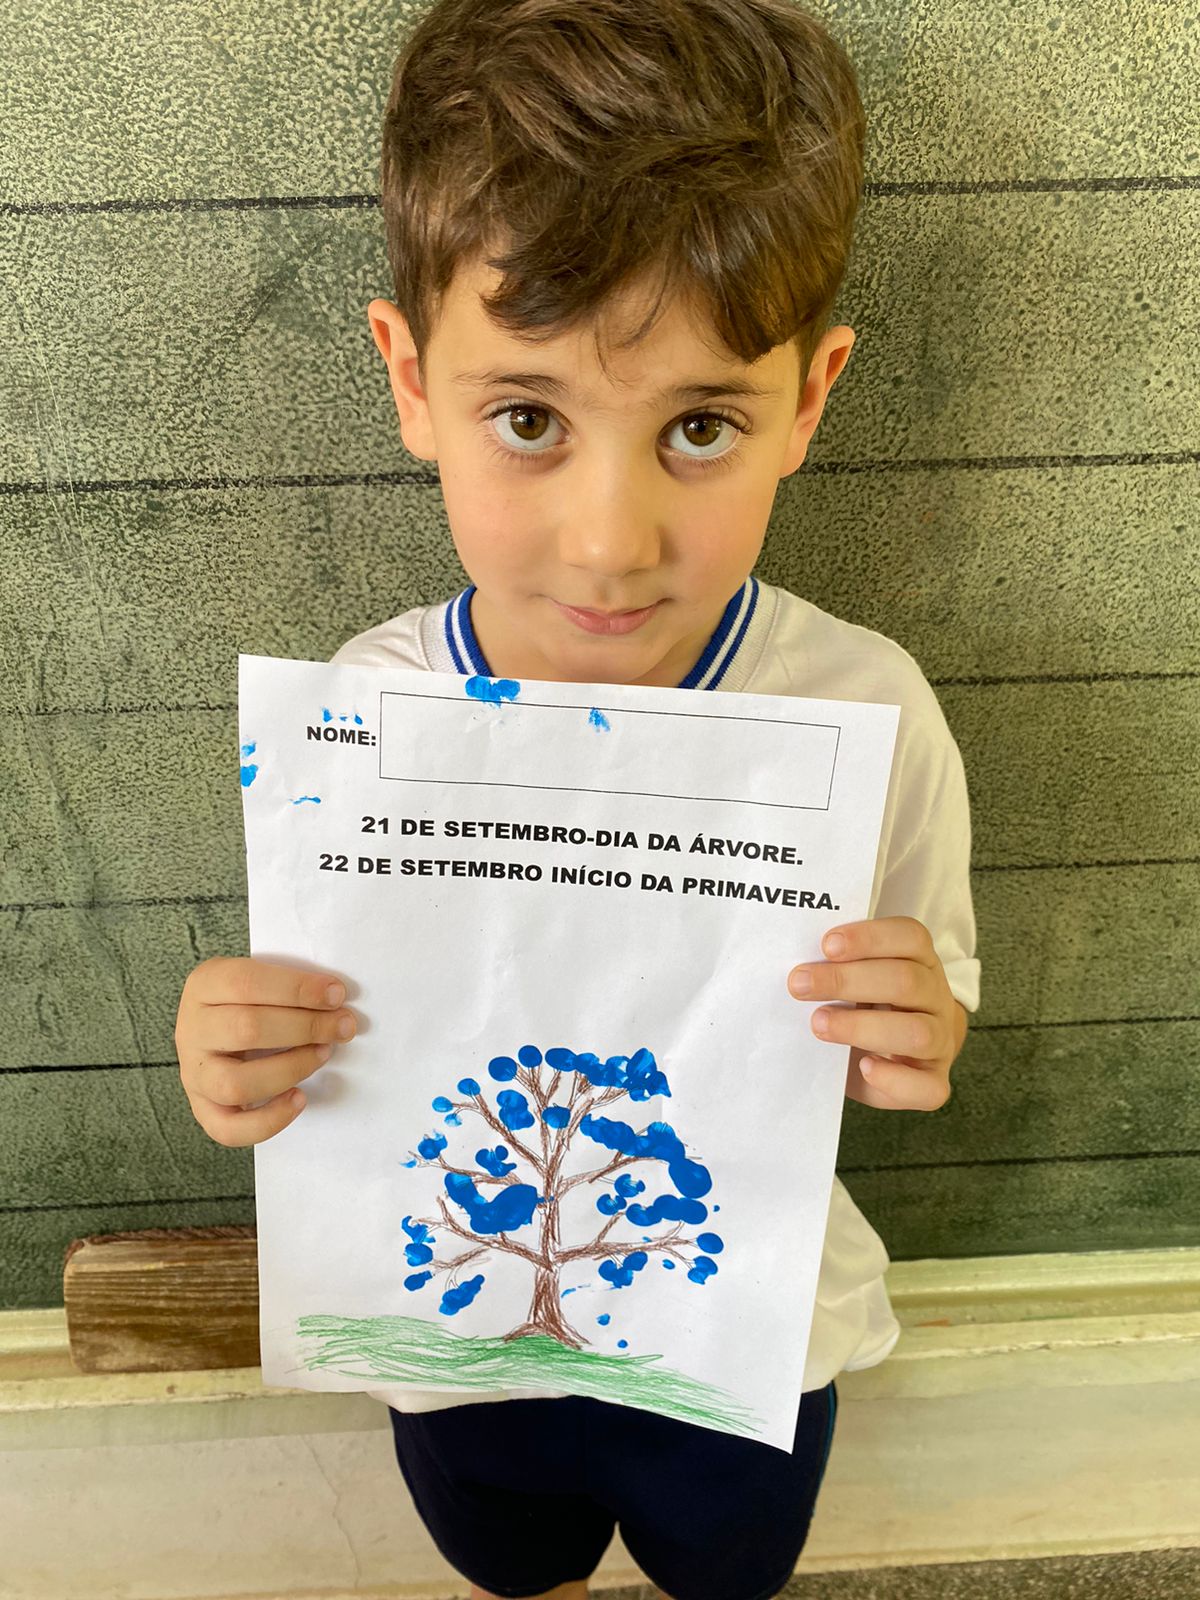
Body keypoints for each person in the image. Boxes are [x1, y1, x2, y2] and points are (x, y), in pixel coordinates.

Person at [176, 0, 981, 1595]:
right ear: (412, 382)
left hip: (744, 1341)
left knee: (725, 1567)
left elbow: (925, 1012)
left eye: (700, 425)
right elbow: (334, 1045)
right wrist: (240, 1059)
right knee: (507, 1557)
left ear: (810, 400)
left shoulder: (865, 711)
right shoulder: (368, 716)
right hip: (460, 1351)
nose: (611, 544)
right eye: (529, 418)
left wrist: (917, 1031)